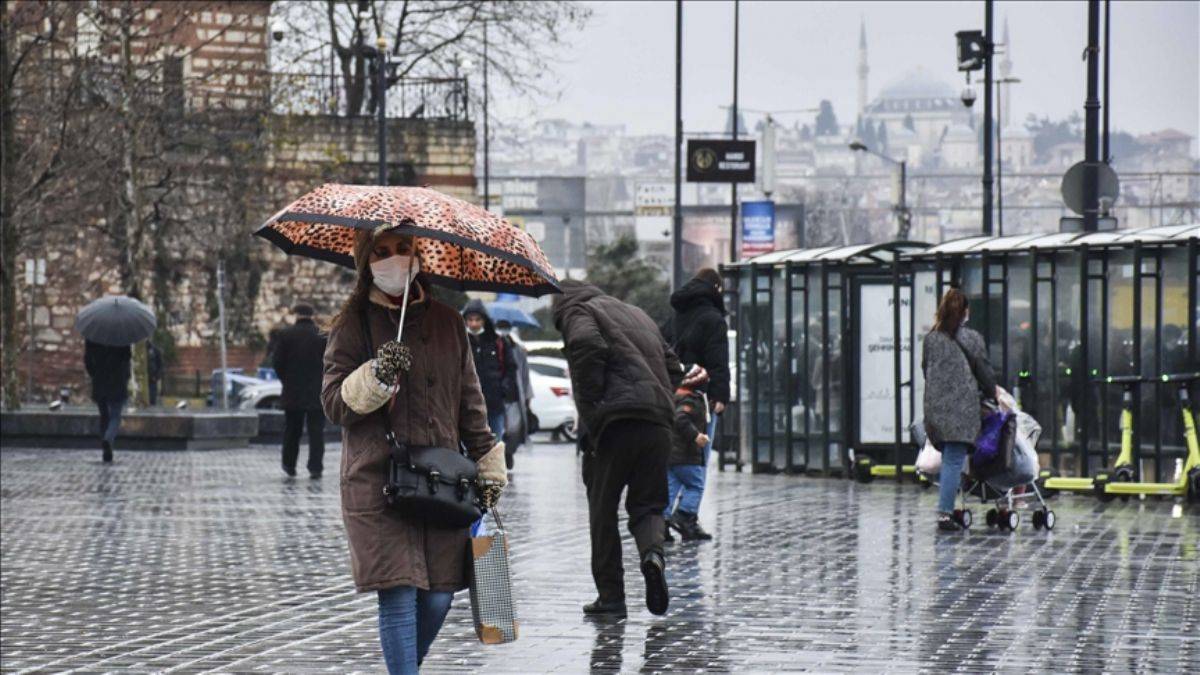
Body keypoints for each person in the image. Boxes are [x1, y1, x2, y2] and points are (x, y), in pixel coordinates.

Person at [321, 228, 507, 674]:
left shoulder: (448, 322)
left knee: (440, 596)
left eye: (403, 249)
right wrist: (377, 375)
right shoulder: (353, 323)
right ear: (366, 264)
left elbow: (471, 403)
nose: (394, 259)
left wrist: (488, 467)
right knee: (399, 592)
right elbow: (333, 404)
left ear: (418, 255)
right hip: (378, 480)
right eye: (381, 252)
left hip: (443, 481)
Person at [554, 279, 682, 618]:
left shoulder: (577, 310)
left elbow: (586, 343)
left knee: (603, 510)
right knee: (648, 505)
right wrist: (660, 400)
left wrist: (593, 411)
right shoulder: (636, 313)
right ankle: (652, 554)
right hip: (657, 424)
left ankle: (611, 598)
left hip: (615, 426)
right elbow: (674, 366)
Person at [921, 288, 999, 532]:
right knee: (954, 460)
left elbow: (926, 369)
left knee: (949, 458)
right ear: (965, 312)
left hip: (935, 407)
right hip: (962, 408)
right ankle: (945, 513)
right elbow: (984, 372)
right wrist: (992, 392)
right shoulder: (972, 338)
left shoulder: (931, 339)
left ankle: (951, 506)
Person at [660, 268, 729, 540]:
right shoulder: (713, 320)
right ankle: (687, 515)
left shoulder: (676, 316)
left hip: (672, 395)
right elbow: (718, 361)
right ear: (716, 289)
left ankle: (663, 518)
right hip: (700, 398)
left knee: (674, 459)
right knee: (696, 459)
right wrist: (720, 396)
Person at [272, 303, 329, 479]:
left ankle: (289, 464)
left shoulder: (285, 334)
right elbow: (330, 362)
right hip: (317, 391)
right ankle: (315, 467)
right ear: (312, 315)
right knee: (316, 432)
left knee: (292, 431)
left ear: (296, 314)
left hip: (293, 391)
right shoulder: (322, 335)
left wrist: (286, 380)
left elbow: (277, 362)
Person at [665, 364, 712, 542]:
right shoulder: (692, 399)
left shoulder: (676, 396)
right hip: (687, 455)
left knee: (671, 488)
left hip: (672, 455)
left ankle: (662, 523)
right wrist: (696, 436)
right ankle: (684, 514)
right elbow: (681, 418)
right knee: (696, 485)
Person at [461, 299, 516, 441]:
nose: (474, 324)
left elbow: (511, 368)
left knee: (495, 443)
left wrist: (503, 388)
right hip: (468, 405)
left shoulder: (498, 342)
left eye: (477, 319)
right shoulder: (460, 342)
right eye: (470, 320)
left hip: (494, 403)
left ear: (484, 320)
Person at [84, 340, 131, 463]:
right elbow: (127, 358)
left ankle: (105, 444)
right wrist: (126, 376)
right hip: (118, 381)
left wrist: (95, 374)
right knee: (115, 416)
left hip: (100, 381)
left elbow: (88, 361)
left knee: (104, 416)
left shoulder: (93, 337)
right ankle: (108, 439)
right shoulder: (121, 337)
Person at [496, 318, 532, 468]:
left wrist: (528, 397)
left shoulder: (517, 349)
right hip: (496, 395)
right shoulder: (491, 345)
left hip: (513, 396)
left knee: (513, 429)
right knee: (497, 429)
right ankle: (499, 457)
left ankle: (508, 452)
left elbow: (524, 374)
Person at [147, 340, 164, 406]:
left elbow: (160, 364)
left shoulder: (155, 350)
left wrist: (156, 376)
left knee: (152, 398)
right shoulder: (139, 350)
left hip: (152, 378)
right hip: (142, 378)